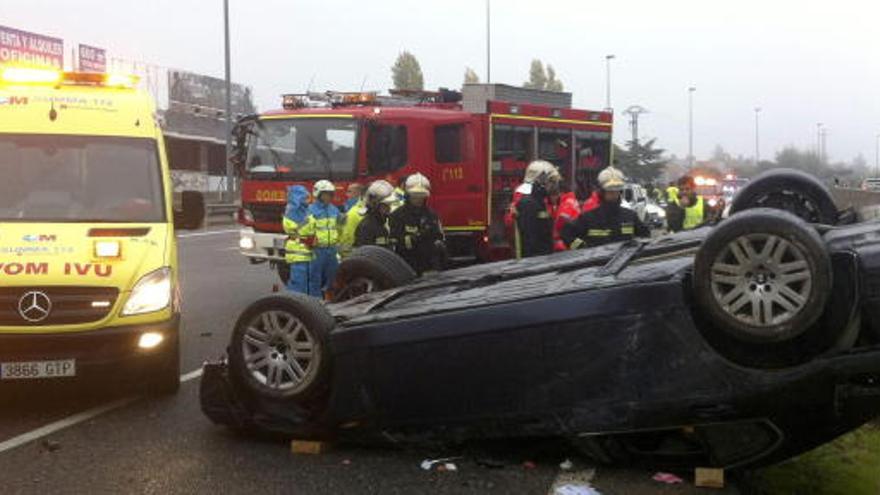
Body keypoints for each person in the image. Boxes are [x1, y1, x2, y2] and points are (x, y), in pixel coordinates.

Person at [562, 166, 649, 249]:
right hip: (597, 263)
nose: (614, 195)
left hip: (623, 263)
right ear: (602, 193)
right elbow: (567, 235)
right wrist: (582, 249)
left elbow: (645, 236)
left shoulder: (630, 216)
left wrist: (636, 247)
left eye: (617, 191)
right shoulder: (589, 218)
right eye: (610, 192)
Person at [390, 173, 447, 275]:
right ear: (408, 195)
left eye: (421, 196)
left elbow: (440, 237)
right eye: (415, 196)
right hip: (408, 267)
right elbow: (396, 243)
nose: (418, 200)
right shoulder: (397, 216)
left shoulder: (431, 215)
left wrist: (438, 244)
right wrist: (418, 237)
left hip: (430, 265)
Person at [302, 180, 343, 298]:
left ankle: (331, 302)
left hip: (332, 250)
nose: (329, 197)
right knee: (315, 279)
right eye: (326, 194)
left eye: (331, 194)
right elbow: (303, 231)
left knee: (333, 278)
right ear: (318, 194)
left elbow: (340, 227)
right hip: (317, 251)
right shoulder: (310, 210)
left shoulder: (334, 209)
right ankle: (316, 304)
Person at [515, 161, 561, 258]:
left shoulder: (539, 202)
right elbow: (529, 240)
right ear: (541, 181)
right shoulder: (528, 204)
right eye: (550, 181)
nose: (553, 186)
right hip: (534, 262)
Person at [281, 185, 314, 295]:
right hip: (299, 252)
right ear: (298, 198)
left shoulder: (305, 210)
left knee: (308, 282)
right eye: (305, 198)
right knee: (299, 285)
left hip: (306, 251)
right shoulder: (293, 212)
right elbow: (304, 229)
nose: (308, 200)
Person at [355, 180, 397, 249]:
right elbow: (365, 254)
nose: (388, 208)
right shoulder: (366, 226)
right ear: (374, 205)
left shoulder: (383, 223)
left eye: (389, 205)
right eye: (385, 205)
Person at [339, 183, 366, 258]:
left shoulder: (361, 209)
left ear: (358, 193)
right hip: (345, 247)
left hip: (353, 247)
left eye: (349, 191)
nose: (346, 194)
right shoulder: (346, 206)